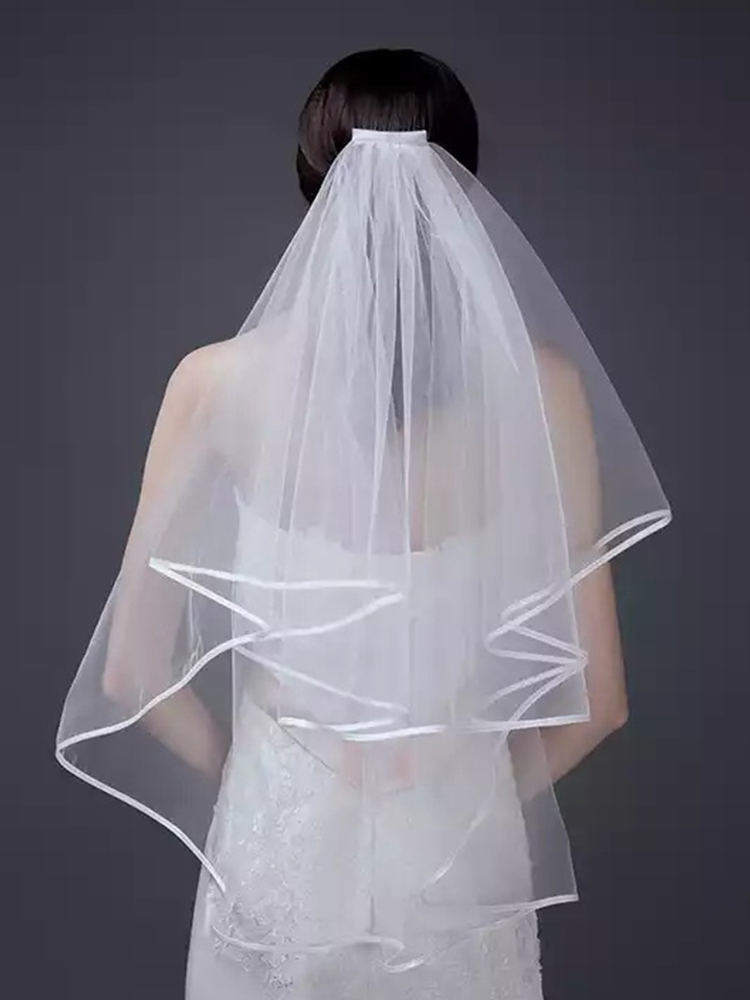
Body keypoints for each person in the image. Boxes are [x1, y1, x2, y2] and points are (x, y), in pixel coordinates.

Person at [56, 49, 671, 999]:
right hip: (462, 876)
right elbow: (603, 702)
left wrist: (265, 790)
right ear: (463, 186)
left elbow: (132, 672)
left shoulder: (212, 385)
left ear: (315, 183)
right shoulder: (545, 391)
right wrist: (462, 800)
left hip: (274, 879)